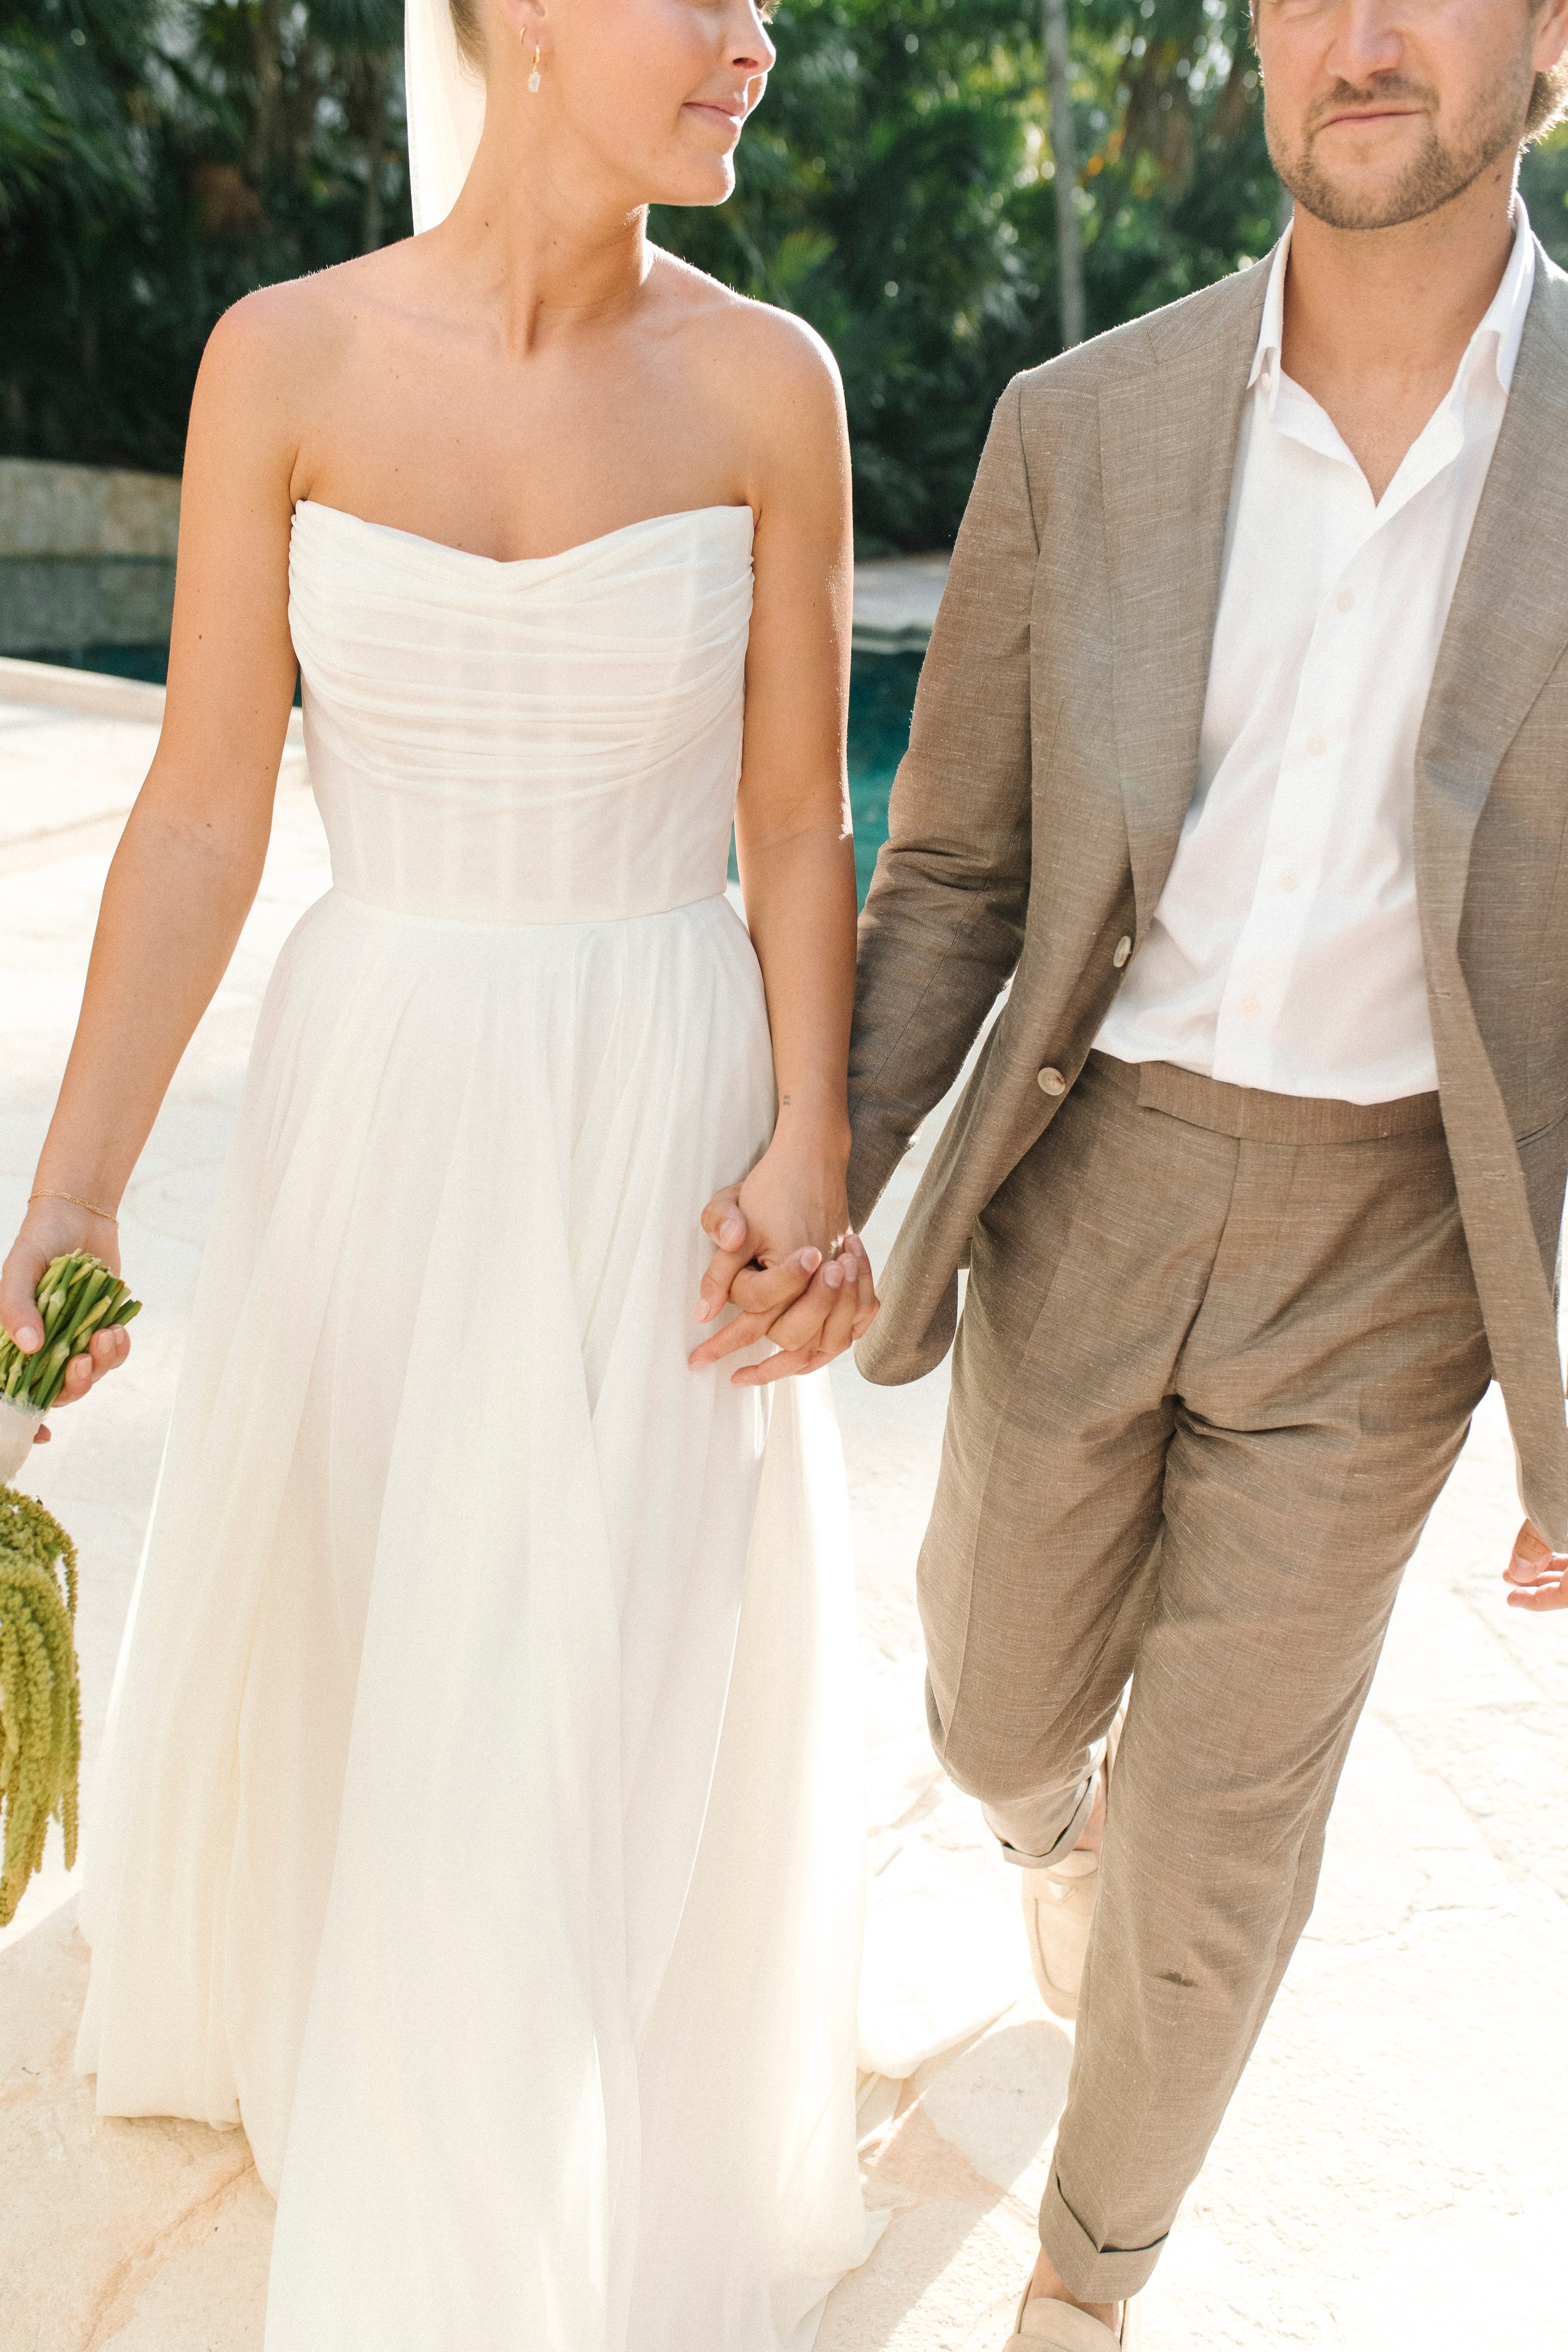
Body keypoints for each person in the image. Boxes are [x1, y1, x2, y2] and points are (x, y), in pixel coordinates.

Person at [0, 0, 883, 2343]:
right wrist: (74, 1191)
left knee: (597, 1669)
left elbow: (801, 819)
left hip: (660, 1102)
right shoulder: (280, 362)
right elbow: (204, 808)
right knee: (398, 1614)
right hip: (380, 1091)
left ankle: (514, 2201)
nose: (754, 40)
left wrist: (813, 1137)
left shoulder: (770, 387)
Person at [717, 0, 1568, 2339]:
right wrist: (833, 1166)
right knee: (989, 1716)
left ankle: (1088, 2286)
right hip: (1088, 1172)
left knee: (1221, 1837)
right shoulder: (1082, 424)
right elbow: (957, 871)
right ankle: (1045, 1832)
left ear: (1548, 32)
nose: (1360, 37)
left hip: (1394, 1247)